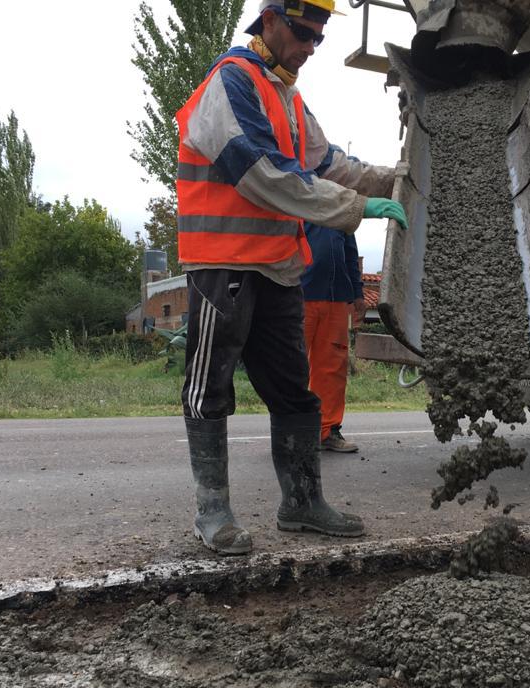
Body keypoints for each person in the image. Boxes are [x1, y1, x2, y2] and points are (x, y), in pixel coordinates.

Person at [175, 0, 408, 555]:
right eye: (304, 34)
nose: (309, 47)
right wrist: (356, 208)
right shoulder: (230, 84)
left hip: (279, 270)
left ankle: (301, 502)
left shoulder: (287, 98)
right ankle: (214, 512)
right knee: (209, 389)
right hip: (223, 265)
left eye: (319, 39)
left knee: (297, 395)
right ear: (271, 20)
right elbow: (262, 173)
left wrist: (399, 179)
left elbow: (330, 164)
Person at [302, 223, 365, 453]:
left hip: (337, 298)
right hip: (299, 294)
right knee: (292, 367)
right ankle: (292, 431)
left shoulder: (341, 209)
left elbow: (350, 253)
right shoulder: (297, 197)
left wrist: (357, 293)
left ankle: (327, 431)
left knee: (333, 368)